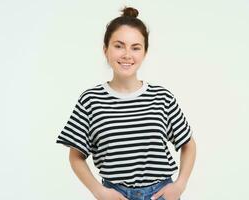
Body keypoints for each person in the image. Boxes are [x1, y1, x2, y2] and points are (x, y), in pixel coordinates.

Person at [56, 6, 196, 200]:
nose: (127, 55)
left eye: (135, 47)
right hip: (116, 195)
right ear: (105, 50)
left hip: (161, 194)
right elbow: (75, 156)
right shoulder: (91, 100)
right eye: (119, 45)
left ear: (145, 53)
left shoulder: (162, 97)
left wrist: (179, 185)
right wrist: (99, 191)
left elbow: (188, 144)